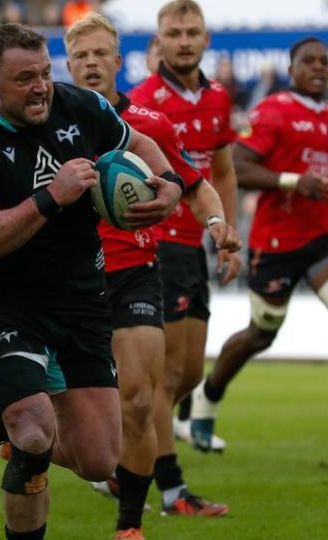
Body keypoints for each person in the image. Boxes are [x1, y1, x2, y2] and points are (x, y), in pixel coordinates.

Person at [0, 22, 195, 540]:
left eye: (44, 74)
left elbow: (141, 142)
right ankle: (16, 424)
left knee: (100, 460)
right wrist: (49, 198)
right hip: (3, 301)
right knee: (34, 434)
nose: (40, 88)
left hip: (80, 296)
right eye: (23, 80)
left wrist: (169, 185)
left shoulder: (81, 106)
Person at [65, 14, 240, 539]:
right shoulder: (48, 125)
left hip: (136, 271)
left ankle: (129, 525)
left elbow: (196, 182)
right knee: (55, 416)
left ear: (119, 62)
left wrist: (216, 222)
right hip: (68, 281)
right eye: (82, 56)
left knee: (142, 397)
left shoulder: (150, 126)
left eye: (102, 54)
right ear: (68, 65)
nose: (92, 63)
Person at [189, 37, 328, 473]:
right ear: (292, 68)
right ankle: (207, 395)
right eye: (309, 62)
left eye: (324, 62)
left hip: (324, 235)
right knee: (261, 334)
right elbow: (238, 167)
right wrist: (291, 181)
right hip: (277, 241)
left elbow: (322, 181)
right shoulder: (274, 109)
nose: (319, 68)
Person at [128, 0, 240, 512]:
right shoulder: (142, 101)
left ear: (206, 38)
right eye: (174, 33)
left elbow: (223, 170)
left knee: (191, 372)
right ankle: (171, 488)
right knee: (167, 376)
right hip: (157, 245)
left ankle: (123, 451)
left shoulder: (218, 97)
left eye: (192, 32)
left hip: (194, 242)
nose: (184, 40)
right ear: (159, 40)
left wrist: (227, 231)